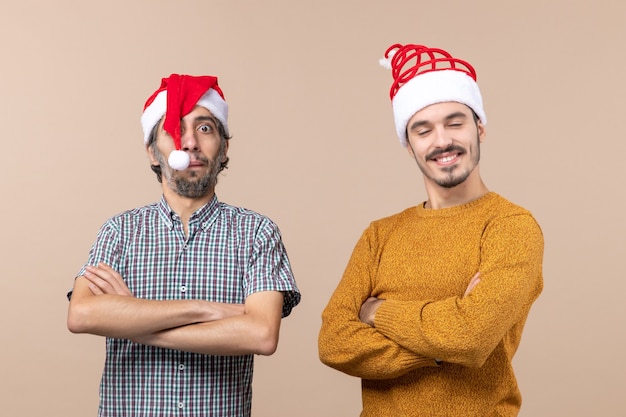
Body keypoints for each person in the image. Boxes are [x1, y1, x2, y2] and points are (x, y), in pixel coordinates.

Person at [318, 44, 544, 416]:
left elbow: (471, 338)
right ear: (409, 146)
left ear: (480, 128)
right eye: (423, 130)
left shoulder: (511, 227)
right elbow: (334, 343)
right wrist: (442, 343)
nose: (442, 141)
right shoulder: (380, 235)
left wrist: (377, 312)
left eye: (455, 122)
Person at [67, 74, 301, 417]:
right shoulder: (119, 231)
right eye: (174, 129)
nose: (189, 142)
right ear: (152, 151)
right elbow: (82, 314)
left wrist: (137, 322)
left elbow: (262, 334)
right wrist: (204, 310)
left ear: (224, 149)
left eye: (205, 128)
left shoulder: (257, 232)